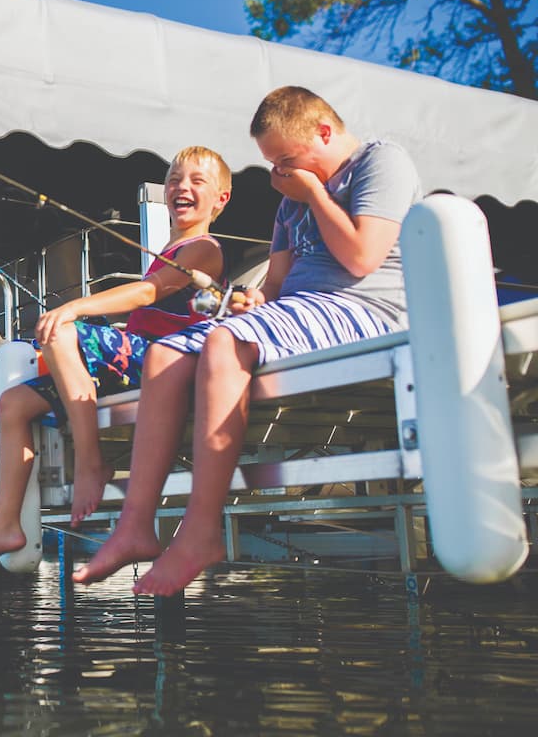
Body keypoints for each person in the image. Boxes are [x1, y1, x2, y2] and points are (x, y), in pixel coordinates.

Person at [72, 86, 422, 595]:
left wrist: (316, 195)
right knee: (167, 353)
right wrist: (250, 301)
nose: (279, 174)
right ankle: (135, 525)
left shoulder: (380, 163)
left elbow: (363, 257)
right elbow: (275, 287)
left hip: (366, 310)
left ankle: (200, 533)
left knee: (222, 345)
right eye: (272, 164)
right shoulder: (291, 201)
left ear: (324, 133)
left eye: (285, 159)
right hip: (299, 313)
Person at [0, 146, 232, 575]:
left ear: (221, 198)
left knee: (61, 329)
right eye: (176, 178)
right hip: (133, 361)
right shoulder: (168, 250)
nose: (182, 186)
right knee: (14, 403)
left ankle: (90, 460)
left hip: (167, 364)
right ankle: (5, 524)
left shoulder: (204, 249)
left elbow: (148, 293)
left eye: (198, 180)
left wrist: (74, 308)